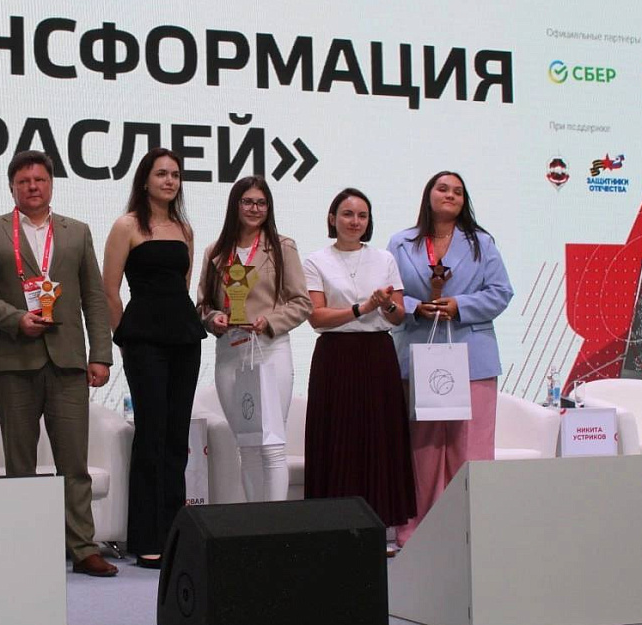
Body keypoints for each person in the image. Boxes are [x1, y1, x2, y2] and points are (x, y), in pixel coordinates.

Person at [0, 150, 117, 578]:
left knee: (74, 463)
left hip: (68, 361)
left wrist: (100, 354)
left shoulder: (76, 232)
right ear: (11, 187)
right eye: (23, 181)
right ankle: (26, 547)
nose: (32, 187)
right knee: (20, 463)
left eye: (39, 180)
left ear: (51, 184)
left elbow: (93, 296)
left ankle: (83, 548)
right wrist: (15, 318)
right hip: (13, 360)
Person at [388, 171, 513, 547]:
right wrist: (416, 307)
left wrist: (460, 305)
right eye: (443, 189)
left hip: (472, 357)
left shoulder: (482, 243)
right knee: (421, 451)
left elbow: (501, 292)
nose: (450, 195)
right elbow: (389, 295)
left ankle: (472, 530)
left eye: (458, 191)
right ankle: (416, 532)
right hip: (419, 354)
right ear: (428, 195)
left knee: (470, 448)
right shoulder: (401, 243)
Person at [102, 148, 205, 569]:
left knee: (176, 436)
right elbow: (109, 290)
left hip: (184, 337)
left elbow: (184, 284)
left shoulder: (184, 228)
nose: (169, 181)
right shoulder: (126, 225)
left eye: (175, 175)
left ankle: (174, 535)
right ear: (145, 180)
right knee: (151, 433)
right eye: (162, 173)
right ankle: (146, 537)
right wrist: (124, 338)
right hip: (143, 340)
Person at [303, 188, 416, 545]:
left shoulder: (384, 259)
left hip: (378, 355)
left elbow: (398, 316)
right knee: (338, 440)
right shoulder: (316, 261)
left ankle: (380, 528)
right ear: (332, 218)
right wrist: (362, 308)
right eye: (347, 214)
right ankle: (334, 529)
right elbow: (317, 317)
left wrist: (386, 305)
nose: (355, 221)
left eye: (362, 215)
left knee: (379, 440)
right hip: (336, 356)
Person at [196, 176, 312, 503]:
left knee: (272, 444)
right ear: (235, 205)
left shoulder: (282, 247)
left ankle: (274, 523)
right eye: (247, 201)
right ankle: (254, 521)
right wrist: (213, 319)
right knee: (246, 445)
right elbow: (203, 305)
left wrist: (270, 321)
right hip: (230, 353)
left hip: (269, 351)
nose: (255, 208)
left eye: (262, 203)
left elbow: (302, 302)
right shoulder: (216, 251)